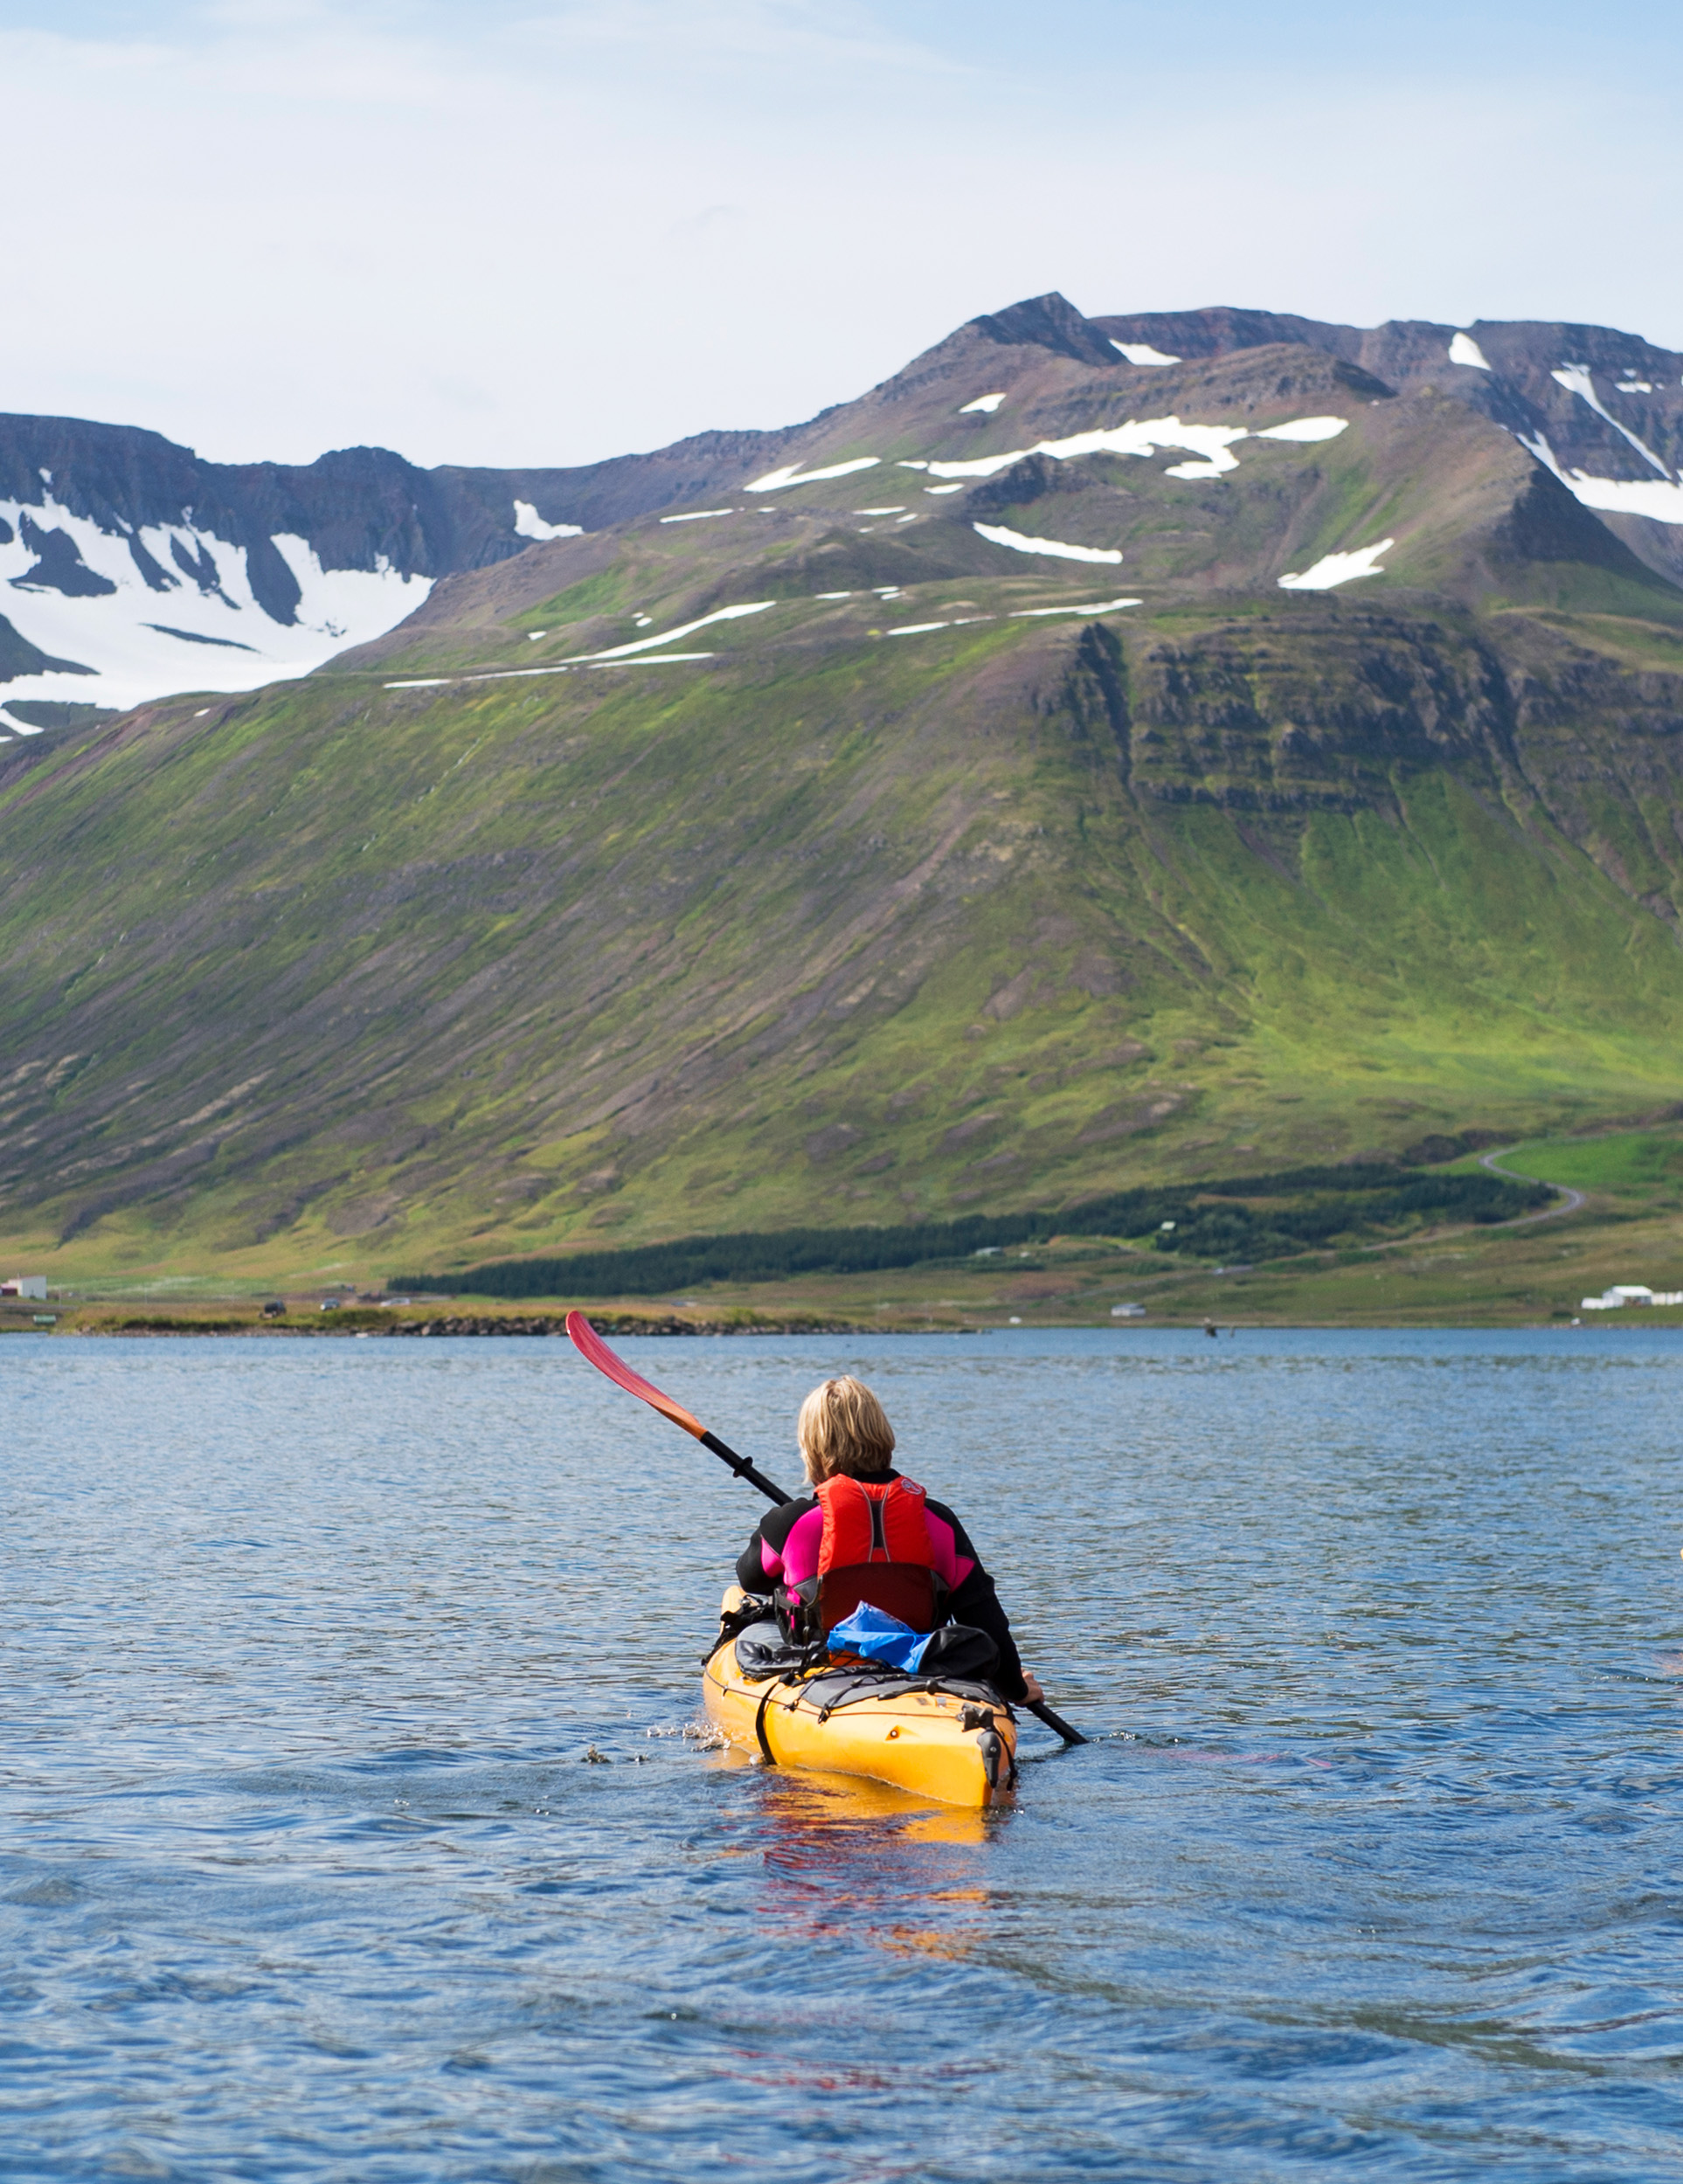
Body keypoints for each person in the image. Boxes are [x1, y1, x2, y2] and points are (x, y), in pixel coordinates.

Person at [734, 1374, 1044, 1707]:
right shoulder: (939, 1521)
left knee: (751, 1629)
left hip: (823, 1672)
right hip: (920, 1669)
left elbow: (749, 1578)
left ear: (812, 1448)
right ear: (882, 1435)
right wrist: (1016, 1689)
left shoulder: (790, 1523)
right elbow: (985, 1619)